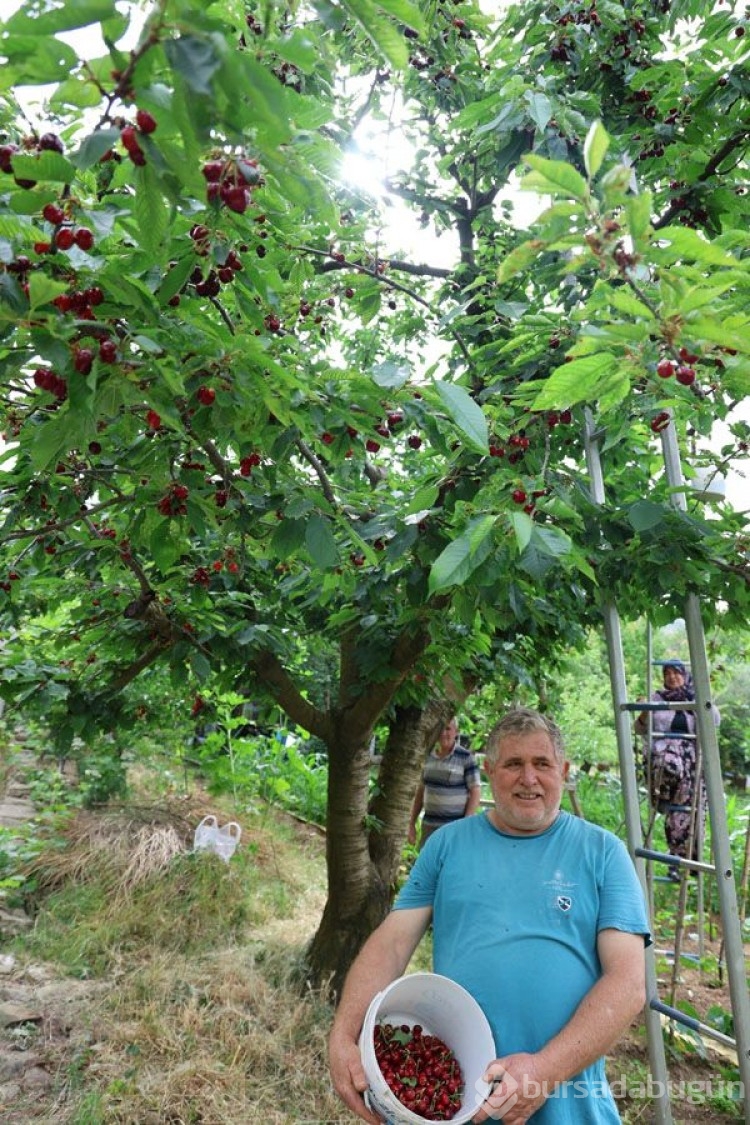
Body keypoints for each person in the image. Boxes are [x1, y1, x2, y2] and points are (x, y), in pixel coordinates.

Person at [329, 707, 649, 1124]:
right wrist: (342, 1035)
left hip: (567, 1101)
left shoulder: (603, 852)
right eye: (514, 763)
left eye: (542, 764)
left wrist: (543, 1071)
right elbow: (391, 944)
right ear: (489, 769)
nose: (528, 778)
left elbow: (628, 984)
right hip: (457, 1095)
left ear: (564, 770)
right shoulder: (447, 845)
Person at [635, 659, 720, 876]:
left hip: (691, 766)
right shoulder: (656, 699)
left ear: (685, 675)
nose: (672, 678)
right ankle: (662, 794)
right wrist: (644, 711)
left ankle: (681, 862)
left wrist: (700, 701)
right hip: (665, 761)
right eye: (668, 674)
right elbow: (639, 728)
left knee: (683, 817)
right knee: (673, 799)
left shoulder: (695, 698)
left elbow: (715, 720)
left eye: (676, 673)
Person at [407, 717, 482, 849]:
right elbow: (421, 790)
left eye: (448, 729)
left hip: (455, 828)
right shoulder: (427, 756)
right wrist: (411, 822)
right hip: (429, 827)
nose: (443, 733)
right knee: (428, 866)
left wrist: (465, 823)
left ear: (456, 731)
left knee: (452, 865)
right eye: (440, 729)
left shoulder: (466, 757)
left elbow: (475, 791)